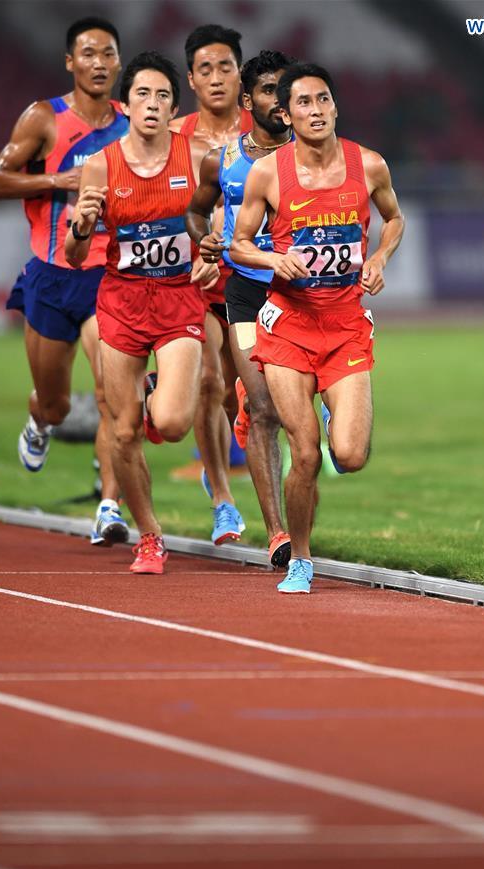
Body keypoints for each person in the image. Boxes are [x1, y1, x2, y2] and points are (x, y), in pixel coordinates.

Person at [230, 63, 405, 594]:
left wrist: (378, 257)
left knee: (348, 455)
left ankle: (332, 403)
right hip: (288, 327)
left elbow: (394, 218)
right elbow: (238, 242)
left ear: (335, 106)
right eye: (303, 102)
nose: (316, 110)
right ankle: (301, 559)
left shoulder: (369, 165)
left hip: (346, 324)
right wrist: (270, 260)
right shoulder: (268, 174)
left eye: (323, 99)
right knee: (304, 451)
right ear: (285, 113)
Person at [65, 50, 218, 574]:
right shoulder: (98, 165)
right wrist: (82, 227)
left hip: (178, 299)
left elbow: (211, 227)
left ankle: (157, 391)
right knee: (125, 430)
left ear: (174, 106)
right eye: (143, 95)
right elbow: (76, 256)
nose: (152, 104)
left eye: (162, 96)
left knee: (172, 423)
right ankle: (150, 536)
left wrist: (212, 255)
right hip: (122, 302)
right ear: (124, 105)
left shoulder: (197, 157)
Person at [0, 16, 130, 547]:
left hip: (107, 277)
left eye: (107, 53)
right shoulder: (44, 118)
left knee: (115, 396)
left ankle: (109, 506)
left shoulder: (133, 120)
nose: (98, 63)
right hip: (50, 276)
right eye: (87, 54)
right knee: (57, 404)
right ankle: (40, 422)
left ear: (118, 61)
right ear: (70, 62)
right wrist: (58, 178)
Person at [186, 50, 296, 568]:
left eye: (288, 90)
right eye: (271, 91)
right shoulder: (223, 159)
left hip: (309, 296)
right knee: (265, 409)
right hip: (248, 291)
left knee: (328, 435)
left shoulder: (321, 156)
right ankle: (277, 533)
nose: (283, 101)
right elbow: (195, 210)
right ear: (249, 100)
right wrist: (206, 239)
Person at [169, 24, 253, 544]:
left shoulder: (267, 129)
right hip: (190, 281)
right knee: (206, 382)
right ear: (191, 79)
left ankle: (223, 455)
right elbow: (157, 211)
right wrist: (192, 251)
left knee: (237, 395)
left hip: (248, 280)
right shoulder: (173, 137)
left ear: (240, 73)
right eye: (206, 69)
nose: (217, 77)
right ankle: (223, 499)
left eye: (226, 66)